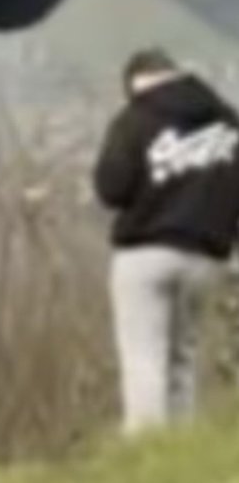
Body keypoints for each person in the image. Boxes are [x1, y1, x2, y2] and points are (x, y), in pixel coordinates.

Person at [93, 48, 239, 435]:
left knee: (143, 356)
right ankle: (179, 445)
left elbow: (111, 189)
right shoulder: (227, 121)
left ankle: (146, 450)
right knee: (183, 355)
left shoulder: (134, 119)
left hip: (146, 252)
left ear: (135, 83)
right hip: (207, 256)